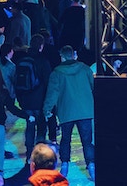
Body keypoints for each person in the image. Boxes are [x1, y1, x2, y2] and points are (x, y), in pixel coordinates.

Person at [42, 45, 94, 180]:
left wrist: (47, 109)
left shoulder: (57, 73)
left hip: (66, 111)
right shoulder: (85, 69)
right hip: (85, 111)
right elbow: (94, 87)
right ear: (73, 55)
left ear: (62, 57)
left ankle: (64, 165)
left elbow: (53, 93)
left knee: (65, 139)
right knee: (87, 141)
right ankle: (91, 165)